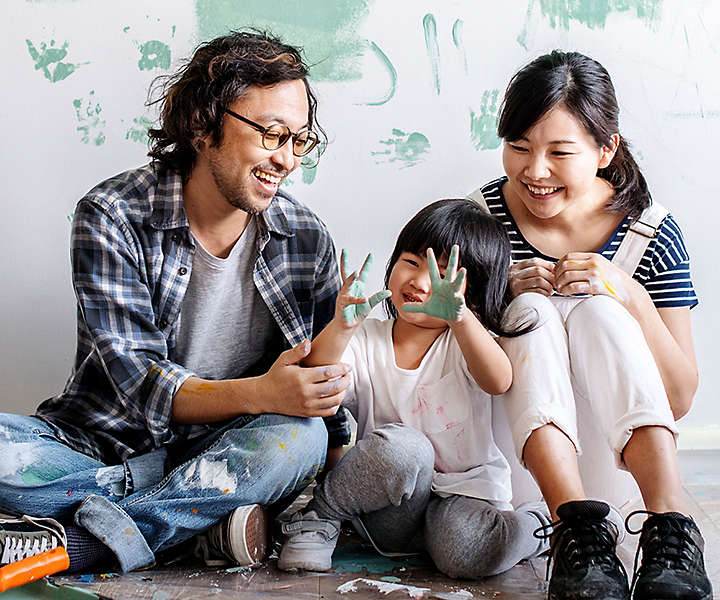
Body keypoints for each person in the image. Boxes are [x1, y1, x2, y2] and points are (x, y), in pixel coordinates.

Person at [0, 30, 353, 574]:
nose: (286, 160)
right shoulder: (112, 214)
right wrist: (260, 392)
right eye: (272, 134)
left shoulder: (307, 240)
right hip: (102, 447)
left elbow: (316, 400)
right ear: (202, 124)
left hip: (229, 452)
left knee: (299, 438)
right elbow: (140, 381)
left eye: (299, 140)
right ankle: (192, 525)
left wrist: (305, 401)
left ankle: (86, 541)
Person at [470, 51, 712, 600]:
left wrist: (626, 292)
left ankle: (671, 527)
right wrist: (496, 292)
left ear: (607, 150)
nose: (534, 171)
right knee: (530, 312)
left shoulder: (648, 234)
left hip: (620, 464)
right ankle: (575, 532)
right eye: (519, 148)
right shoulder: (480, 220)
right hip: (510, 466)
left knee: (601, 306)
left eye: (560, 152)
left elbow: (678, 397)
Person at [276, 199, 549, 579]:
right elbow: (316, 377)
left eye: (441, 276)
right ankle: (320, 516)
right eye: (412, 262)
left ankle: (538, 526)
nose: (420, 282)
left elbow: (498, 380)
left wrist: (461, 319)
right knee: (404, 448)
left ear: (471, 293)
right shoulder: (369, 337)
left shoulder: (465, 341)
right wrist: (341, 327)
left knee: (467, 555)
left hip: (464, 499)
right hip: (393, 507)